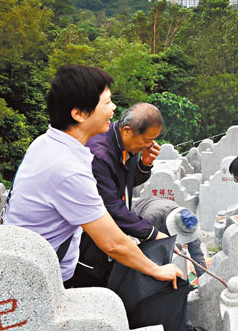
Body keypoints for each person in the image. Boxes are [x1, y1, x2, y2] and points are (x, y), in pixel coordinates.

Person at [4, 65, 183, 287]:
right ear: (78, 113)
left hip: (34, 265)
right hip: (45, 280)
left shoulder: (47, 143)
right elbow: (112, 243)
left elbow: (120, 185)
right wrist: (157, 269)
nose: (114, 108)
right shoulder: (68, 168)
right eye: (107, 102)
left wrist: (144, 165)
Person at [67, 103, 174, 288]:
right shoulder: (99, 155)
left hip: (111, 234)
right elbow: (111, 206)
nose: (150, 145)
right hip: (88, 242)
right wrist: (152, 234)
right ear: (127, 130)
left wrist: (144, 165)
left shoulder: (125, 145)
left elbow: (122, 184)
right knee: (93, 285)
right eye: (147, 139)